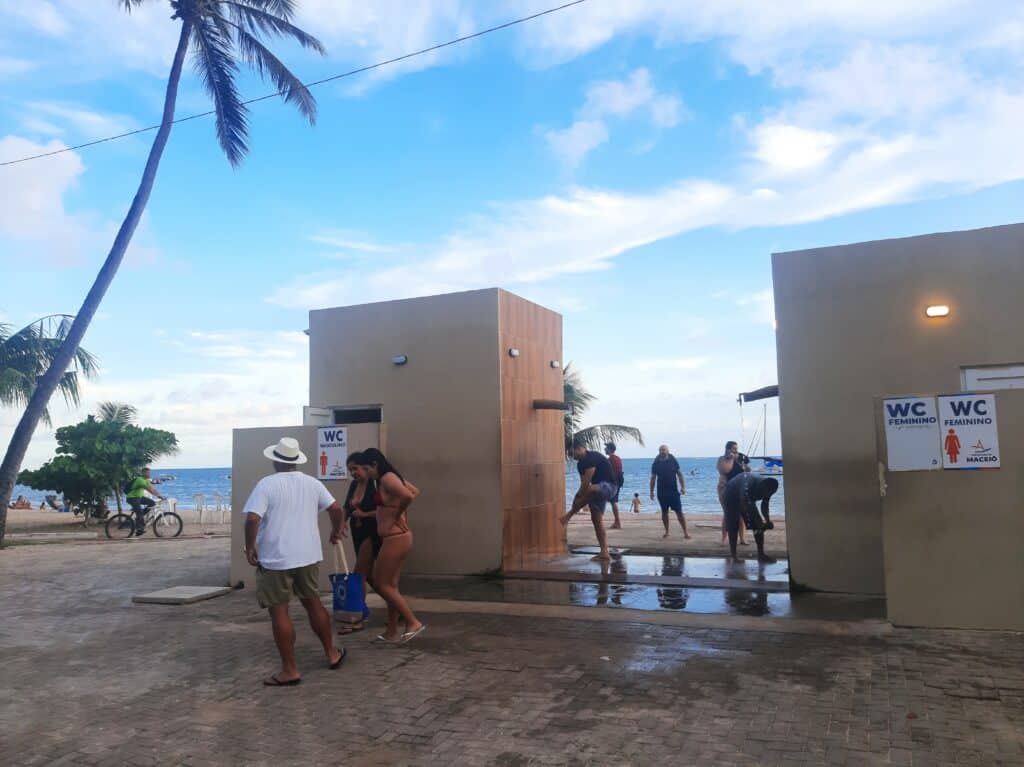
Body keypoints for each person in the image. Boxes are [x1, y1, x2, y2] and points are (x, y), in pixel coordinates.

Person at [243, 437, 347, 686]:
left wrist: (250, 547)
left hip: (276, 558)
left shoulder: (266, 484)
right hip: (308, 555)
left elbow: (253, 519)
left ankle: (290, 670)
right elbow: (336, 509)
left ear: (275, 460)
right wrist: (336, 531)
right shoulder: (312, 483)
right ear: (296, 460)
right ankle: (332, 653)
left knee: (279, 611)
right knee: (313, 603)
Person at [354, 448, 426, 644]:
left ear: (375, 464)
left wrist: (397, 514)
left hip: (396, 538)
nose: (365, 473)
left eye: (366, 469)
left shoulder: (387, 478)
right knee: (391, 586)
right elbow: (414, 491)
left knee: (381, 584)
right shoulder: (386, 478)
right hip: (393, 537)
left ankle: (413, 622)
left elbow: (408, 496)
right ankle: (391, 630)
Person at [337, 451, 381, 635]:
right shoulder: (354, 485)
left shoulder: (376, 484)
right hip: (357, 533)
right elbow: (346, 508)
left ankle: (356, 619)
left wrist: (364, 514)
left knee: (358, 575)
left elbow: (386, 510)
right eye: (350, 470)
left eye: (355, 468)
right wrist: (341, 525)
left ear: (364, 467)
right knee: (372, 578)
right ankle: (398, 607)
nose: (353, 473)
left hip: (372, 533)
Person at [560, 439, 618, 561]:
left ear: (580, 448)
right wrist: (577, 499)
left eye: (572, 453)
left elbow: (586, 484)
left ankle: (569, 515)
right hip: (596, 490)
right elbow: (583, 484)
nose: (572, 457)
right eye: (569, 455)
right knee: (596, 519)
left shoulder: (591, 458)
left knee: (590, 489)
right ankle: (604, 552)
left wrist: (578, 497)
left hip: (610, 487)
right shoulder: (580, 465)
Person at [722, 472, 779, 564]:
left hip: (746, 498)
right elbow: (746, 505)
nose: (764, 495)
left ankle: (761, 555)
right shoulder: (747, 486)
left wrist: (767, 521)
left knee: (757, 525)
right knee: (734, 523)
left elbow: (764, 506)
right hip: (731, 494)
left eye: (768, 494)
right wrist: (759, 525)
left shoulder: (769, 488)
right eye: (763, 493)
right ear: (761, 487)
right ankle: (734, 556)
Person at [649, 445, 690, 539]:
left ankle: (685, 532)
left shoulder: (672, 459)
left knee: (679, 512)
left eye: (663, 450)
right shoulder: (656, 463)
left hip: (673, 491)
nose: (662, 452)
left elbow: (679, 474)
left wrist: (683, 487)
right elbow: (653, 478)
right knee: (664, 512)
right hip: (662, 492)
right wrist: (651, 492)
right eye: (660, 450)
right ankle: (667, 531)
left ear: (668, 451)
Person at [717, 441, 750, 546]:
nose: (736, 450)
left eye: (736, 448)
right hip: (725, 488)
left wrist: (743, 464)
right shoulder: (722, 459)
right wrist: (731, 459)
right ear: (728, 449)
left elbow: (747, 471)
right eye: (734, 448)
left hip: (739, 488)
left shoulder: (739, 458)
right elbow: (725, 470)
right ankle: (723, 539)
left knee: (741, 515)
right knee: (727, 514)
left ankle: (742, 539)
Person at [125, 468, 166, 535]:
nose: (149, 474)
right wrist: (159, 496)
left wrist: (160, 495)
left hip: (139, 497)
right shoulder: (140, 480)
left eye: (149, 473)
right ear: (143, 473)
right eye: (148, 473)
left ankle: (139, 516)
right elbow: (149, 489)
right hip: (132, 498)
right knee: (140, 513)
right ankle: (139, 529)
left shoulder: (146, 480)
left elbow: (153, 489)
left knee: (152, 503)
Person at [604, 442, 625, 530]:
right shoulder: (617, 458)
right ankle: (617, 522)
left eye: (606, 448)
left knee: (613, 502)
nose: (604, 449)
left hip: (613, 482)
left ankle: (617, 522)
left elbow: (609, 471)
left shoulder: (611, 459)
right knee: (613, 502)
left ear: (609, 449)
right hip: (617, 482)